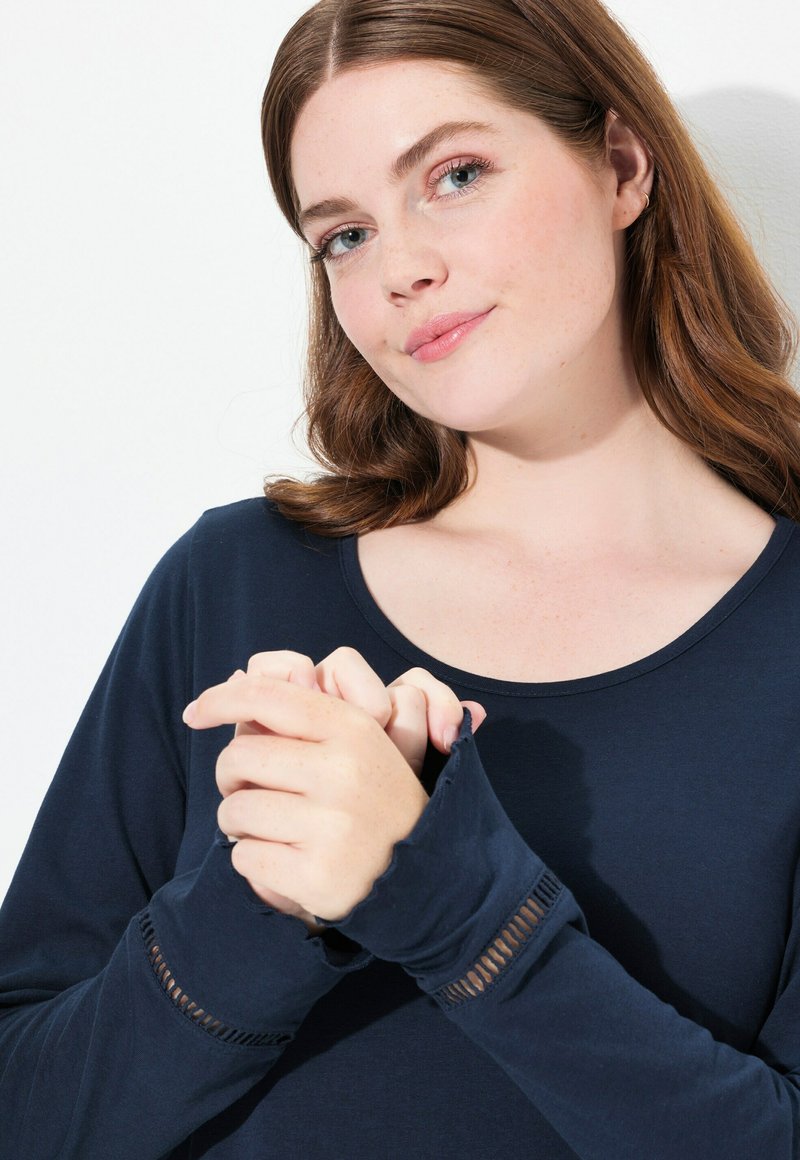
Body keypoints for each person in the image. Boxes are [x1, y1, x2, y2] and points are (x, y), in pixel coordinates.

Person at [2, 0, 800, 1155]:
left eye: (455, 175)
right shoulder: (230, 581)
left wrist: (452, 903)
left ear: (622, 166)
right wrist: (256, 904)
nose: (400, 270)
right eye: (343, 234)